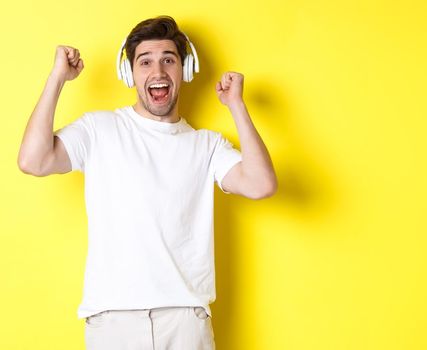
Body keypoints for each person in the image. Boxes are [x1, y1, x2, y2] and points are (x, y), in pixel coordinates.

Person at [17, 15, 277, 350]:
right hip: (112, 321)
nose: (158, 72)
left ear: (184, 71)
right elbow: (32, 160)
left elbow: (261, 184)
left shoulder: (208, 145)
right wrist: (57, 78)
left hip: (185, 321)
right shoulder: (99, 129)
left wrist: (237, 106)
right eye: (145, 62)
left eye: (169, 60)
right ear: (129, 73)